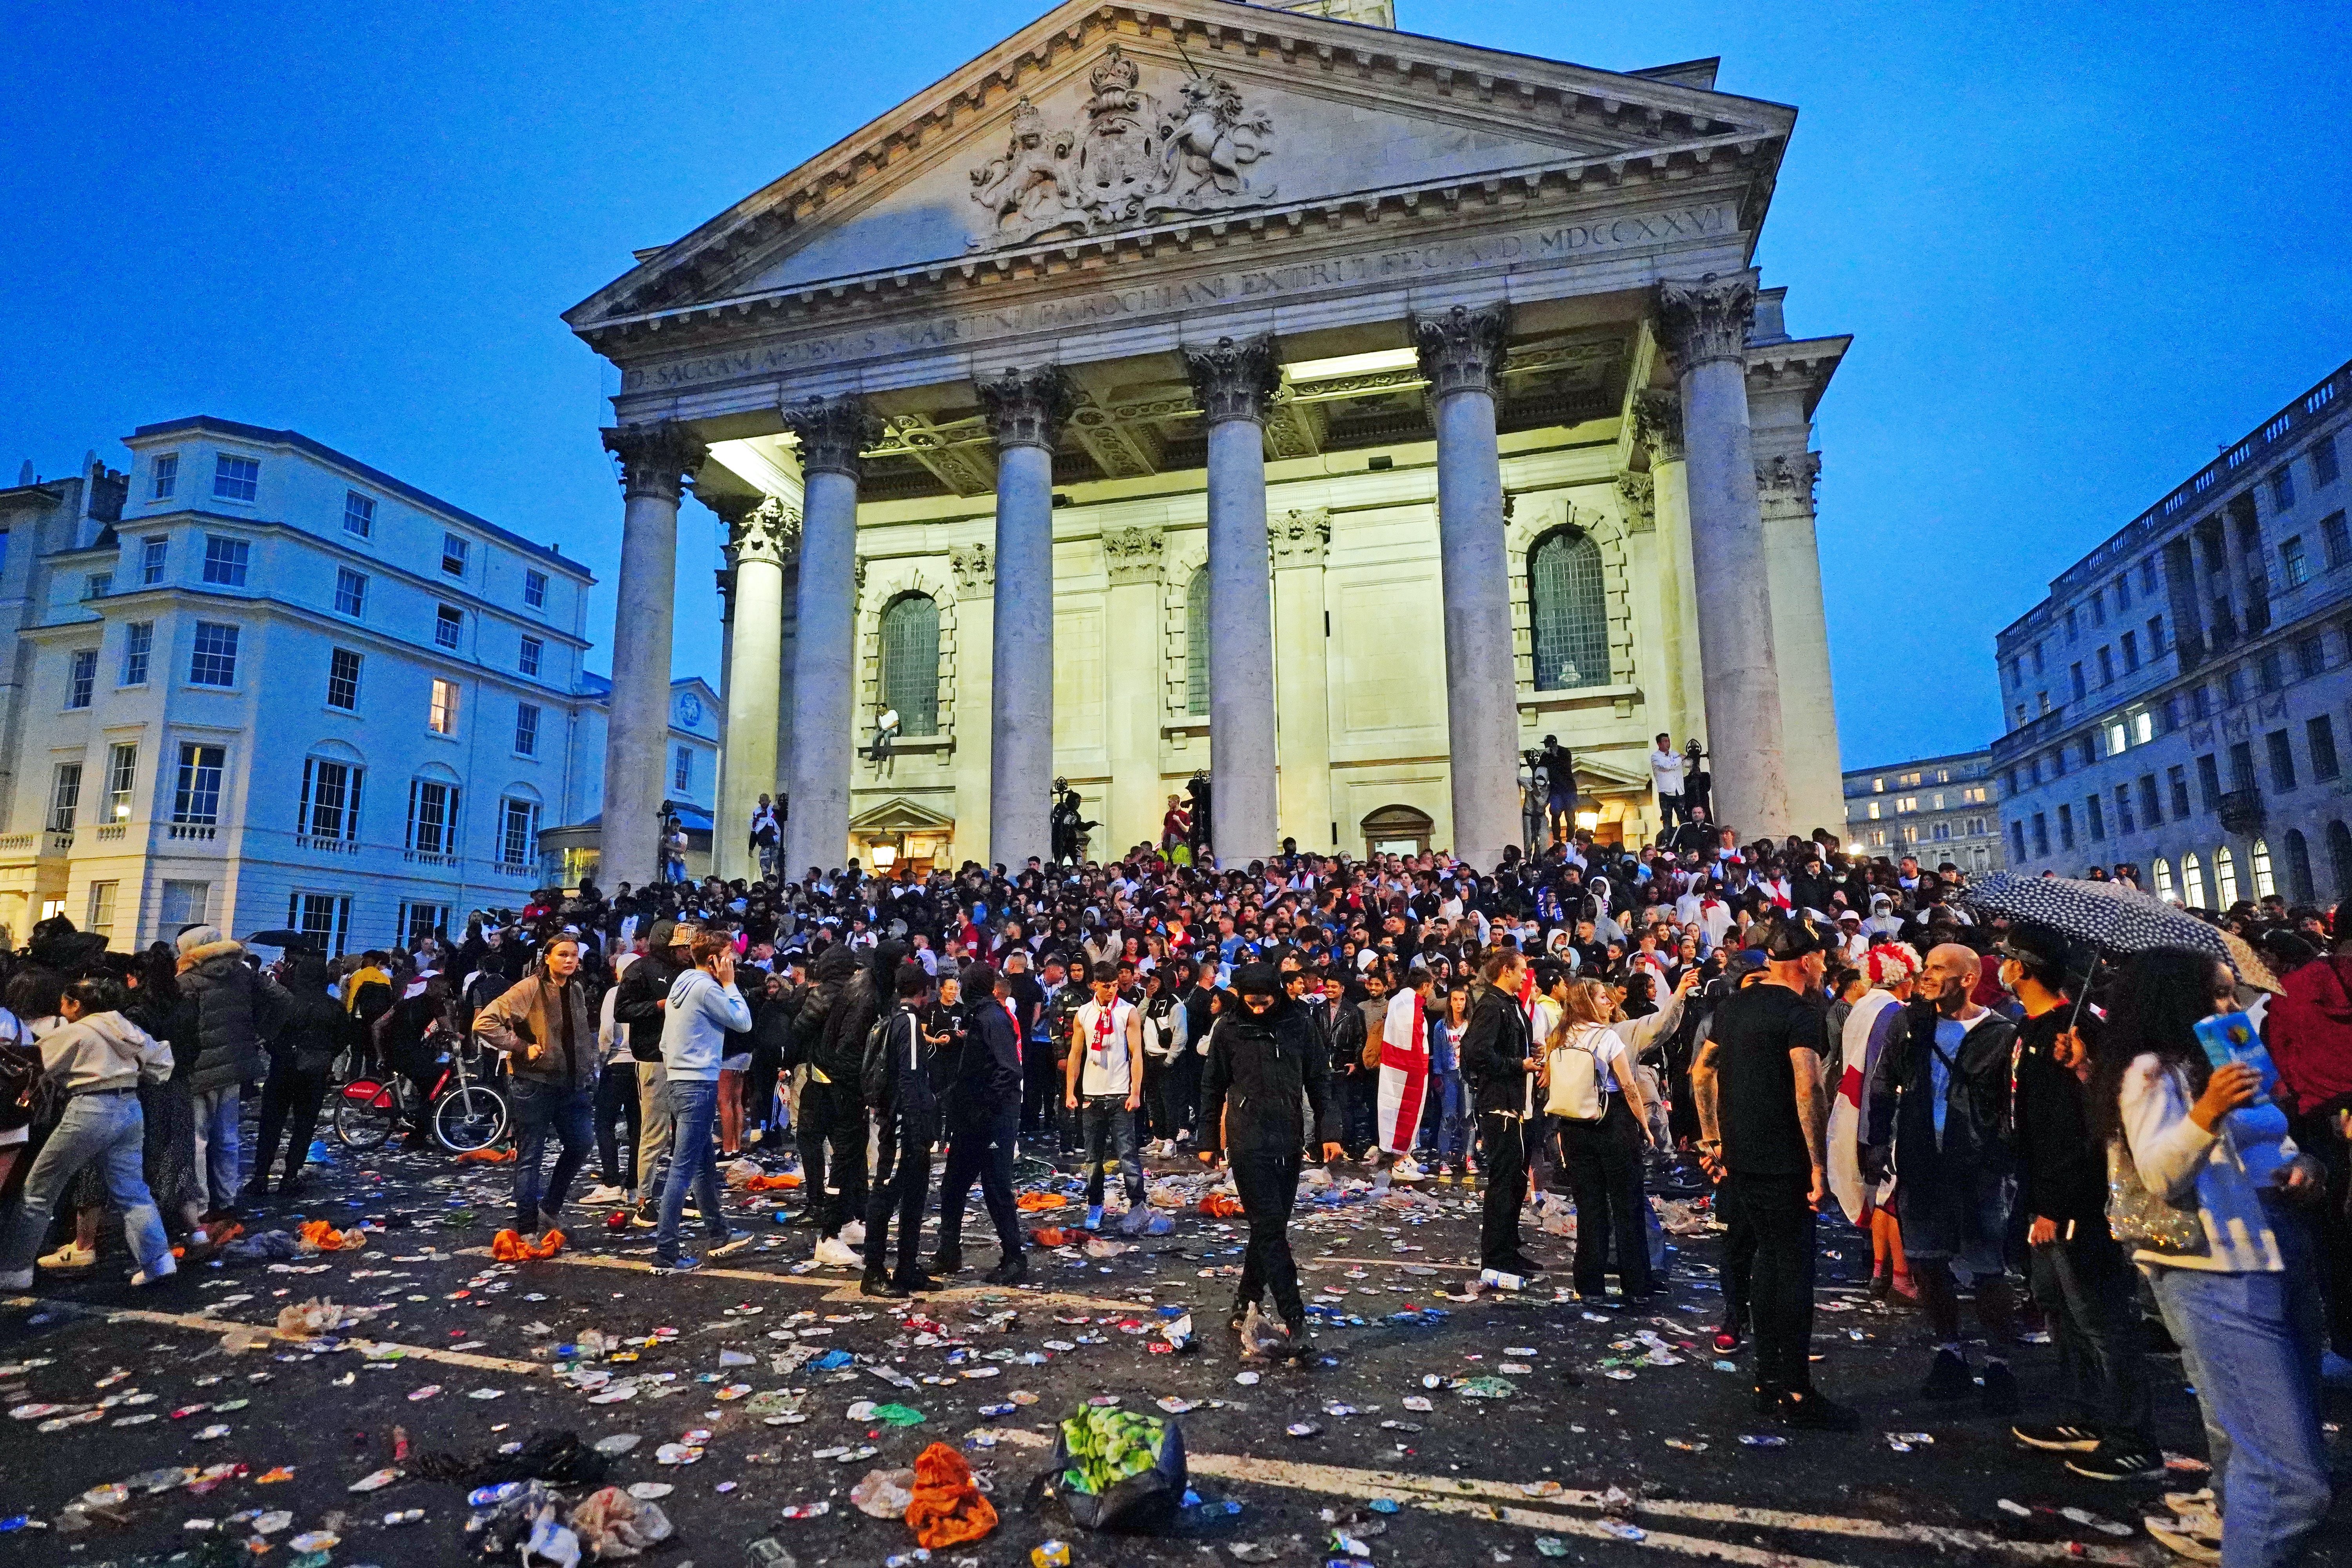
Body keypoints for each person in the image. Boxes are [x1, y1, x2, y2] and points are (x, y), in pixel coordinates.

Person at [2090, 947, 2332, 1566]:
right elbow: (2161, 1174)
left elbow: (2271, 1141)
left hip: (2279, 1258)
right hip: (2214, 1273)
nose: (2231, 1007)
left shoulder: (2225, 1060)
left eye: (2232, 994)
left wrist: (2302, 1167)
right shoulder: (2151, 1071)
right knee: (2288, 1482)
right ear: (2176, 999)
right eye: (2218, 995)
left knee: (2288, 1455)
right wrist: (2207, 1110)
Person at [2001, 926, 2161, 1482]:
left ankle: (2131, 1436)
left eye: (2007, 958)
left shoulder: (2079, 1031)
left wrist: (2057, 1203)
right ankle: (2084, 1413)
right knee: (2059, 1307)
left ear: (2023, 968)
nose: (2002, 966)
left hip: (2074, 1198)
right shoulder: (2033, 1027)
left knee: (2100, 1316)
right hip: (2041, 1191)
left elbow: (2081, 1131)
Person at [1691, 916, 1855, 1430]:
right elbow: (1808, 1087)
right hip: (1784, 1161)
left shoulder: (1734, 1006)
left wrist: (1713, 1139)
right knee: (1793, 1272)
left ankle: (1767, 1381)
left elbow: (1702, 1072)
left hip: (1741, 1158)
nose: (1826, 964)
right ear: (1805, 962)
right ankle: (1797, 1392)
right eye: (1822, 958)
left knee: (1764, 1264)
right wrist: (1818, 1165)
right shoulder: (1800, 1012)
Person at [1879, 941, 2023, 1415]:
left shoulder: (2001, 1031)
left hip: (1980, 1166)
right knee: (1927, 1260)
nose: (1926, 974)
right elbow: (1883, 1084)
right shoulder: (1909, 1024)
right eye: (1925, 966)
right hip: (1922, 1162)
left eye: (1939, 968)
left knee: (1988, 1267)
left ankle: (1999, 1361)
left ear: (1966, 978)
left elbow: (2013, 1101)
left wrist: (2005, 1153)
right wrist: (1876, 1146)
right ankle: (1950, 1351)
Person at [0, 975, 178, 1290]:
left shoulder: (77, 1032)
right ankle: (158, 1260)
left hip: (89, 1107)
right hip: (130, 1107)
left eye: (65, 1002)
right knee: (132, 1191)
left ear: (77, 1004)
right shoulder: (128, 1028)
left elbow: (34, 1065)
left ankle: (14, 1270)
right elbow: (162, 1063)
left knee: (39, 1191)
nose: (62, 1008)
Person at [1196, 962, 1330, 1358]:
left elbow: (1320, 1079)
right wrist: (1208, 1139)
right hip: (1247, 1138)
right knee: (1271, 1229)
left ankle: (1245, 1299)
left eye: (1264, 1002)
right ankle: (1296, 1319)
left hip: (1288, 1137)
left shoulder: (1299, 1024)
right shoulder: (1228, 1029)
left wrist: (1331, 1131)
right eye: (1250, 1002)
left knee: (1268, 1226)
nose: (1257, 1009)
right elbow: (1211, 1087)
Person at [474, 934, 599, 1239]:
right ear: (547, 958)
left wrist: (589, 1069)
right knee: (531, 1156)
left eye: (573, 955)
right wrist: (520, 1045)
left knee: (582, 1143)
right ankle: (528, 1226)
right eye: (562, 955)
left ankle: (550, 1209)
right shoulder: (530, 987)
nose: (570, 960)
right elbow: (485, 1023)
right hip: (534, 1083)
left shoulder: (576, 990)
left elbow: (579, 1034)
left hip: (571, 1084)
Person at [1547, 976, 1657, 1303]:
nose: (1610, 1003)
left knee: (1590, 1207)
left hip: (1574, 1125)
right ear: (1589, 1003)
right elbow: (1628, 1085)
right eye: (1603, 998)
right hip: (1612, 1123)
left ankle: (1589, 1285)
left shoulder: (1559, 1035)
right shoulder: (1607, 1038)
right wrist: (1645, 1126)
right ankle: (1636, 1286)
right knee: (1627, 1206)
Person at [175, 926, 290, 1224]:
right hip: (237, 1063)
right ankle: (226, 1199)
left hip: (198, 1066)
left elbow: (182, 1025)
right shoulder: (244, 973)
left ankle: (199, 1204)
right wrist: (261, 1032)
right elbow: (282, 999)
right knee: (227, 1135)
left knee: (197, 1139)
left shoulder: (187, 980)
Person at [653, 929, 751, 1271]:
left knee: (703, 1165)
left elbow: (666, 1042)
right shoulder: (707, 987)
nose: (735, 960)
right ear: (714, 959)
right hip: (697, 1084)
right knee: (682, 1171)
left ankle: (719, 1231)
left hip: (680, 1080)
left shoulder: (682, 981)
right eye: (729, 955)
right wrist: (730, 983)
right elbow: (743, 1022)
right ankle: (666, 1253)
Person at [933, 962, 1027, 1285]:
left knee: (996, 1187)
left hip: (991, 1119)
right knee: (954, 1186)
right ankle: (948, 1253)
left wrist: (984, 1103)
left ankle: (1014, 1258)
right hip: (974, 1117)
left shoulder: (991, 1018)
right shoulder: (981, 1017)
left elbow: (1010, 1070)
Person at [1460, 945, 1542, 1289]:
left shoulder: (1512, 1005)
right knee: (1503, 1183)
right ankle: (1495, 1256)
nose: (1526, 977)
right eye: (1521, 970)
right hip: (1500, 1107)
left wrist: (1529, 1052)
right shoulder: (1492, 1006)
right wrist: (1517, 1064)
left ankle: (1510, 1249)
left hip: (1518, 1105)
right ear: (1506, 971)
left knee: (1515, 1182)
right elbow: (1478, 1053)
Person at [862, 962, 940, 1297]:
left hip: (900, 1120)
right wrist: (918, 1127)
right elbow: (910, 1079)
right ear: (922, 993)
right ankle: (874, 1271)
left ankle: (907, 1267)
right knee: (887, 1192)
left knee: (914, 1193)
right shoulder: (908, 1023)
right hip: (902, 1124)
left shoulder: (893, 1020)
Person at [245, 950, 349, 1201]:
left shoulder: (286, 1004)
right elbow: (343, 1038)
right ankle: (290, 1175)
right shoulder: (333, 1007)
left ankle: (261, 1177)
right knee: (304, 1124)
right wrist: (325, 1055)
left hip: (283, 1067)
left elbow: (268, 1035)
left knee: (271, 1123)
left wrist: (280, 1051)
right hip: (314, 1071)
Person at [614, 920, 691, 1229]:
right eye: (682, 947)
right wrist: (659, 1006)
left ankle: (680, 1193)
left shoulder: (688, 972)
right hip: (655, 1058)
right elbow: (623, 1011)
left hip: (684, 1058)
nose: (687, 952)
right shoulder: (641, 969)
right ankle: (644, 1199)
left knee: (687, 1132)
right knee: (655, 1131)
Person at [1064, 961, 1150, 1234]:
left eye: (1115, 986)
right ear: (1095, 985)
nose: (1112, 991)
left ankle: (1138, 1206)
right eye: (1106, 986)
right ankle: (1095, 1205)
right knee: (1093, 1157)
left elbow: (1137, 1054)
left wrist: (1136, 1092)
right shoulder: (1084, 1013)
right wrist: (1070, 1091)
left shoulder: (1128, 1012)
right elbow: (1076, 1055)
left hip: (1120, 1092)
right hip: (1091, 1094)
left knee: (1128, 1155)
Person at [1648, 733, 1687, 833]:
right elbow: (1667, 766)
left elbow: (1685, 763)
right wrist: (1679, 759)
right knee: (1667, 818)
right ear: (1659, 744)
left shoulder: (1674, 754)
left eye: (1669, 741)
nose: (1668, 743)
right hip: (1666, 792)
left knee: (1683, 817)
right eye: (1665, 741)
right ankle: (1667, 841)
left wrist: (1680, 759)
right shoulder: (1656, 757)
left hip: (1679, 790)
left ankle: (1686, 839)